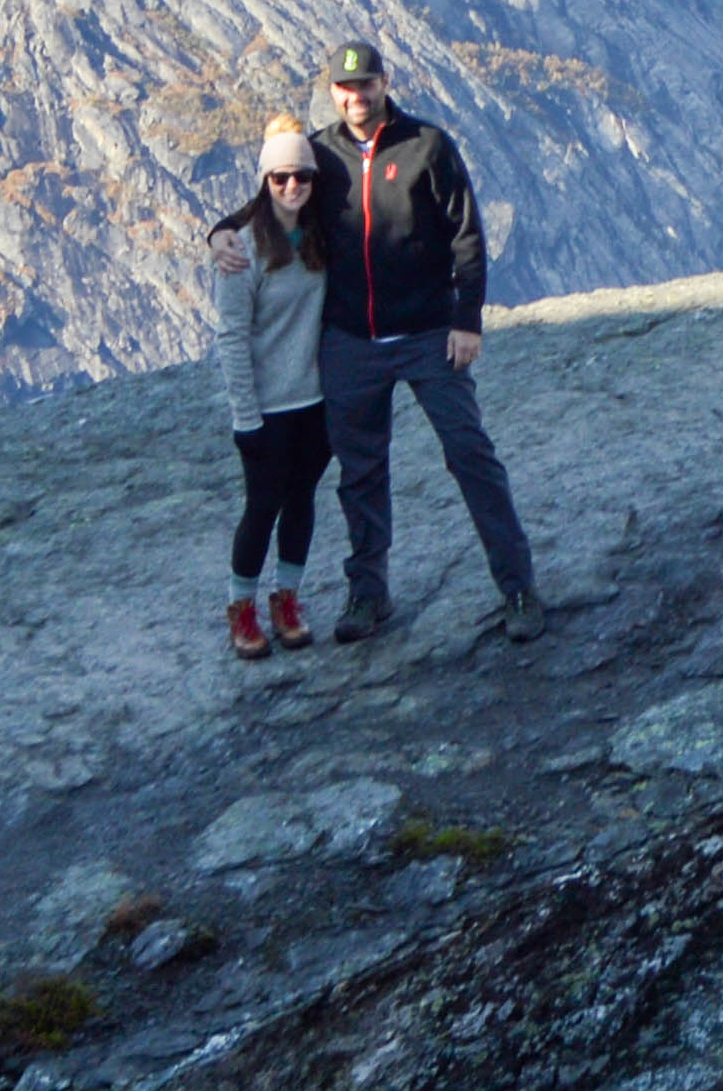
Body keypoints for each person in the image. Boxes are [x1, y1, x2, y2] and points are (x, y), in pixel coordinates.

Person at [284, 38, 548, 644]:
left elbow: (467, 237)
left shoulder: (428, 145)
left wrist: (467, 321)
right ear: (333, 92)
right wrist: (225, 232)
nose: (356, 97)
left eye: (366, 85)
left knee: (470, 455)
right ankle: (367, 595)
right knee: (360, 472)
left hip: (430, 332)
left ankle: (518, 588)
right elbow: (274, 204)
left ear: (384, 83)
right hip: (350, 339)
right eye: (345, 88)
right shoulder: (317, 155)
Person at [205, 120, 340, 658]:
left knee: (302, 500)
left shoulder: (319, 234)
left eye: (302, 177)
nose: (292, 187)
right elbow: (232, 338)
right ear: (265, 180)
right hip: (268, 407)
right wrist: (246, 417)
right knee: (262, 507)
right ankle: (241, 607)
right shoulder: (241, 250)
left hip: (315, 400)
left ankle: (287, 599)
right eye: (280, 177)